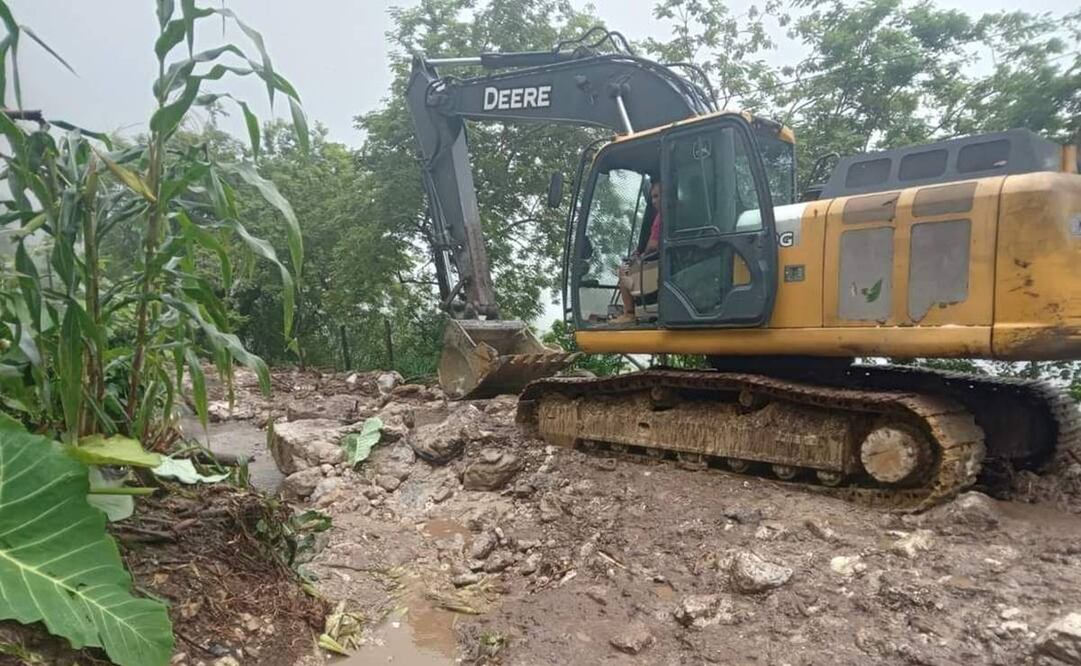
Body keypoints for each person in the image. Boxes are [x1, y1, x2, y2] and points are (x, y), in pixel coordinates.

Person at [612, 180, 661, 324]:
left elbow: (653, 245)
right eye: (653, 197)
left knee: (623, 272)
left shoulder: (661, 218)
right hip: (664, 262)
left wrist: (640, 257)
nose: (654, 201)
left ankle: (629, 313)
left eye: (657, 196)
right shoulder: (675, 213)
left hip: (658, 264)